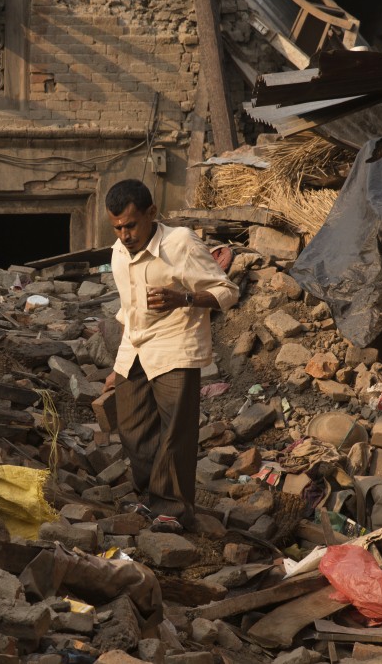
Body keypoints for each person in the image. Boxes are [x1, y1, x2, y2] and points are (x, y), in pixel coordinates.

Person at [102, 179, 239, 533]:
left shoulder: (180, 243)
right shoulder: (118, 252)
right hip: (135, 348)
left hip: (177, 345)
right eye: (117, 227)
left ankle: (174, 508)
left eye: (131, 225)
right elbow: (127, 311)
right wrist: (119, 365)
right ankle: (151, 497)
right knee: (132, 429)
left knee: (176, 430)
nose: (125, 234)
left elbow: (226, 291)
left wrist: (186, 299)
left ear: (152, 213)